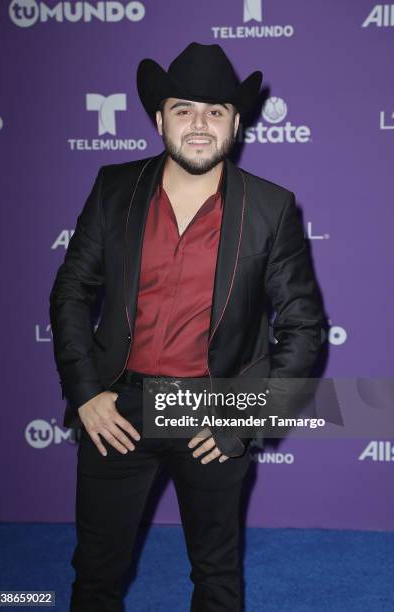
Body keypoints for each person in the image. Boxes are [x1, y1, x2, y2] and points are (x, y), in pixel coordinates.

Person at [49, 42, 324, 612]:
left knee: (216, 576)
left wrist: (240, 421)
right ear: (159, 118)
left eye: (215, 111)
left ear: (236, 122)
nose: (199, 124)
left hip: (213, 407)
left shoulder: (271, 209)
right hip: (117, 409)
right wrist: (86, 394)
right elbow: (71, 292)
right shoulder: (113, 188)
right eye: (184, 109)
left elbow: (302, 328)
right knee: (95, 574)